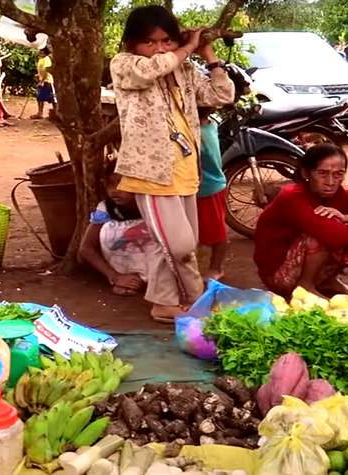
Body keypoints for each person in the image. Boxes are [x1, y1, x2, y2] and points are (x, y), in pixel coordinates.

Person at [109, 5, 235, 322]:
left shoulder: (184, 69)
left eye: (166, 41)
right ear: (132, 44)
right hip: (151, 174)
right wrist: (185, 48)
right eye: (149, 42)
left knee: (171, 242)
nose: (159, 49)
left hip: (184, 169)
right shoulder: (125, 64)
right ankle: (199, 304)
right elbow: (151, 70)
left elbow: (221, 95)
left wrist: (209, 56)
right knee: (179, 246)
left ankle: (164, 303)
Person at [254, 143, 348, 298]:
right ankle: (305, 287)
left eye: (338, 174)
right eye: (322, 173)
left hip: (303, 261)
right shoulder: (292, 196)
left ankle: (328, 280)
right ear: (306, 173)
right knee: (322, 236)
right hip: (278, 273)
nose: (331, 182)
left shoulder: (340, 195)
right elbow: (333, 236)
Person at [79, 161, 149, 296]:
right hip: (120, 268)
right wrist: (114, 276)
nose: (114, 190)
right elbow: (86, 249)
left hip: (154, 271)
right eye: (110, 184)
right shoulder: (106, 209)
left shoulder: (151, 207)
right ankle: (127, 280)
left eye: (121, 184)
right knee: (110, 230)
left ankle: (150, 281)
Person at [196, 108, 228, 280]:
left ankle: (216, 267)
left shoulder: (200, 130)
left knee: (217, 232)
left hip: (209, 187)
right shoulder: (210, 125)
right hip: (205, 187)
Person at [31, 47, 56, 120]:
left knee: (52, 98)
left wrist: (42, 81)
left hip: (47, 81)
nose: (39, 52)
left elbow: (47, 71)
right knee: (39, 97)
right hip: (42, 80)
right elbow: (41, 70)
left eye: (41, 51)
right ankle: (40, 113)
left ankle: (56, 113)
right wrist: (38, 75)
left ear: (44, 52)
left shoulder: (46, 60)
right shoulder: (41, 59)